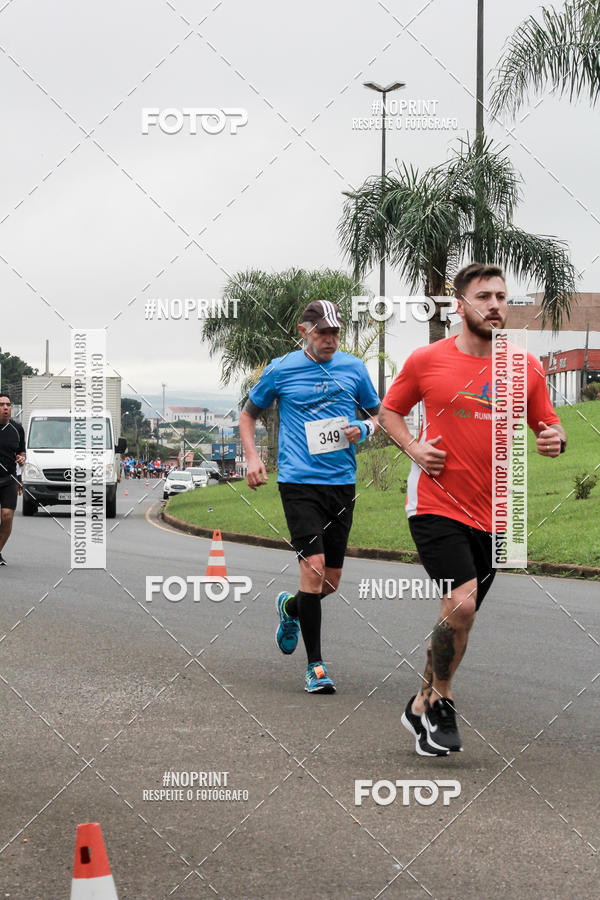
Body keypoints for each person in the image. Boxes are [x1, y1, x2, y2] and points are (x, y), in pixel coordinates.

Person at [380, 263, 566, 755]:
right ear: (459, 305)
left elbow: (548, 423)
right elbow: (388, 411)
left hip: (503, 511)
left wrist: (555, 439)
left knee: (459, 615)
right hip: (436, 504)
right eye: (484, 296)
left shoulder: (525, 366)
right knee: (460, 602)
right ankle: (442, 702)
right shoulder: (426, 360)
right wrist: (414, 448)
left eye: (502, 296)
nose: (495, 305)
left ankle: (419, 703)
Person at [240, 300, 380, 693]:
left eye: (336, 332)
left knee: (329, 582)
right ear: (305, 332)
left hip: (341, 483)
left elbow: (379, 414)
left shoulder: (354, 368)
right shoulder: (281, 369)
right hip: (299, 483)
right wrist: (252, 456)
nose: (331, 339)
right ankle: (315, 667)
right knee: (313, 569)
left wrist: (363, 430)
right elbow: (248, 414)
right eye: (323, 333)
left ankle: (290, 607)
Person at [0, 394, 26, 566]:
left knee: (7, 516)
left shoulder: (17, 429)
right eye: (1, 405)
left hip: (8, 480)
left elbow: (22, 451)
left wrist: (22, 458)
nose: (5, 408)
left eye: (8, 405)